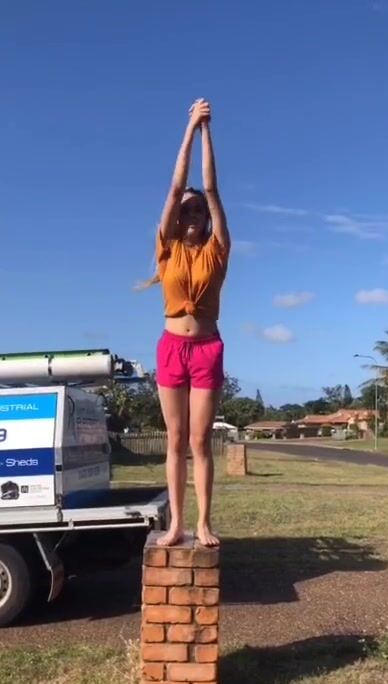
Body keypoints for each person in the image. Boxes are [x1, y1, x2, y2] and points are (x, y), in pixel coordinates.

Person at [142, 99, 230, 547]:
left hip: (207, 349)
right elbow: (176, 188)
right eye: (187, 211)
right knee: (174, 439)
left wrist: (206, 130)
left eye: (199, 212)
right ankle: (177, 523)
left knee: (200, 441)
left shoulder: (218, 250)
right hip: (172, 348)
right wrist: (188, 127)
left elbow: (210, 189)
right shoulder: (167, 249)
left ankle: (204, 522)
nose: (193, 215)